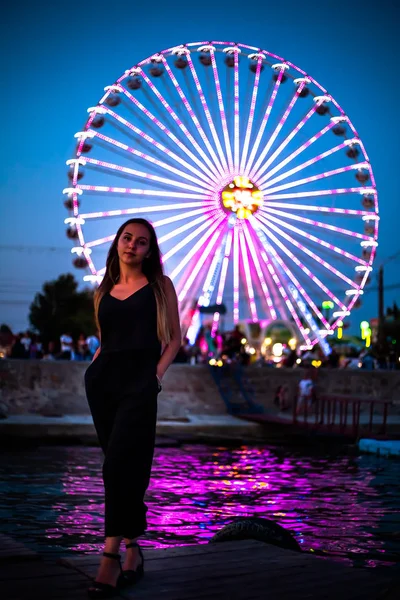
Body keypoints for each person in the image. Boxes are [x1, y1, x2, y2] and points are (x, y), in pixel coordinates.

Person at [84, 218, 181, 599]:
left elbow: (173, 339)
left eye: (141, 242)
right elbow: (105, 341)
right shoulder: (104, 289)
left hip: (139, 385)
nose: (132, 246)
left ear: (149, 250)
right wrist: (93, 370)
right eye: (127, 238)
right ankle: (133, 548)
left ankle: (109, 555)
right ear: (118, 243)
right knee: (122, 466)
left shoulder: (160, 287)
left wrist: (154, 376)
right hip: (102, 382)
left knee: (117, 465)